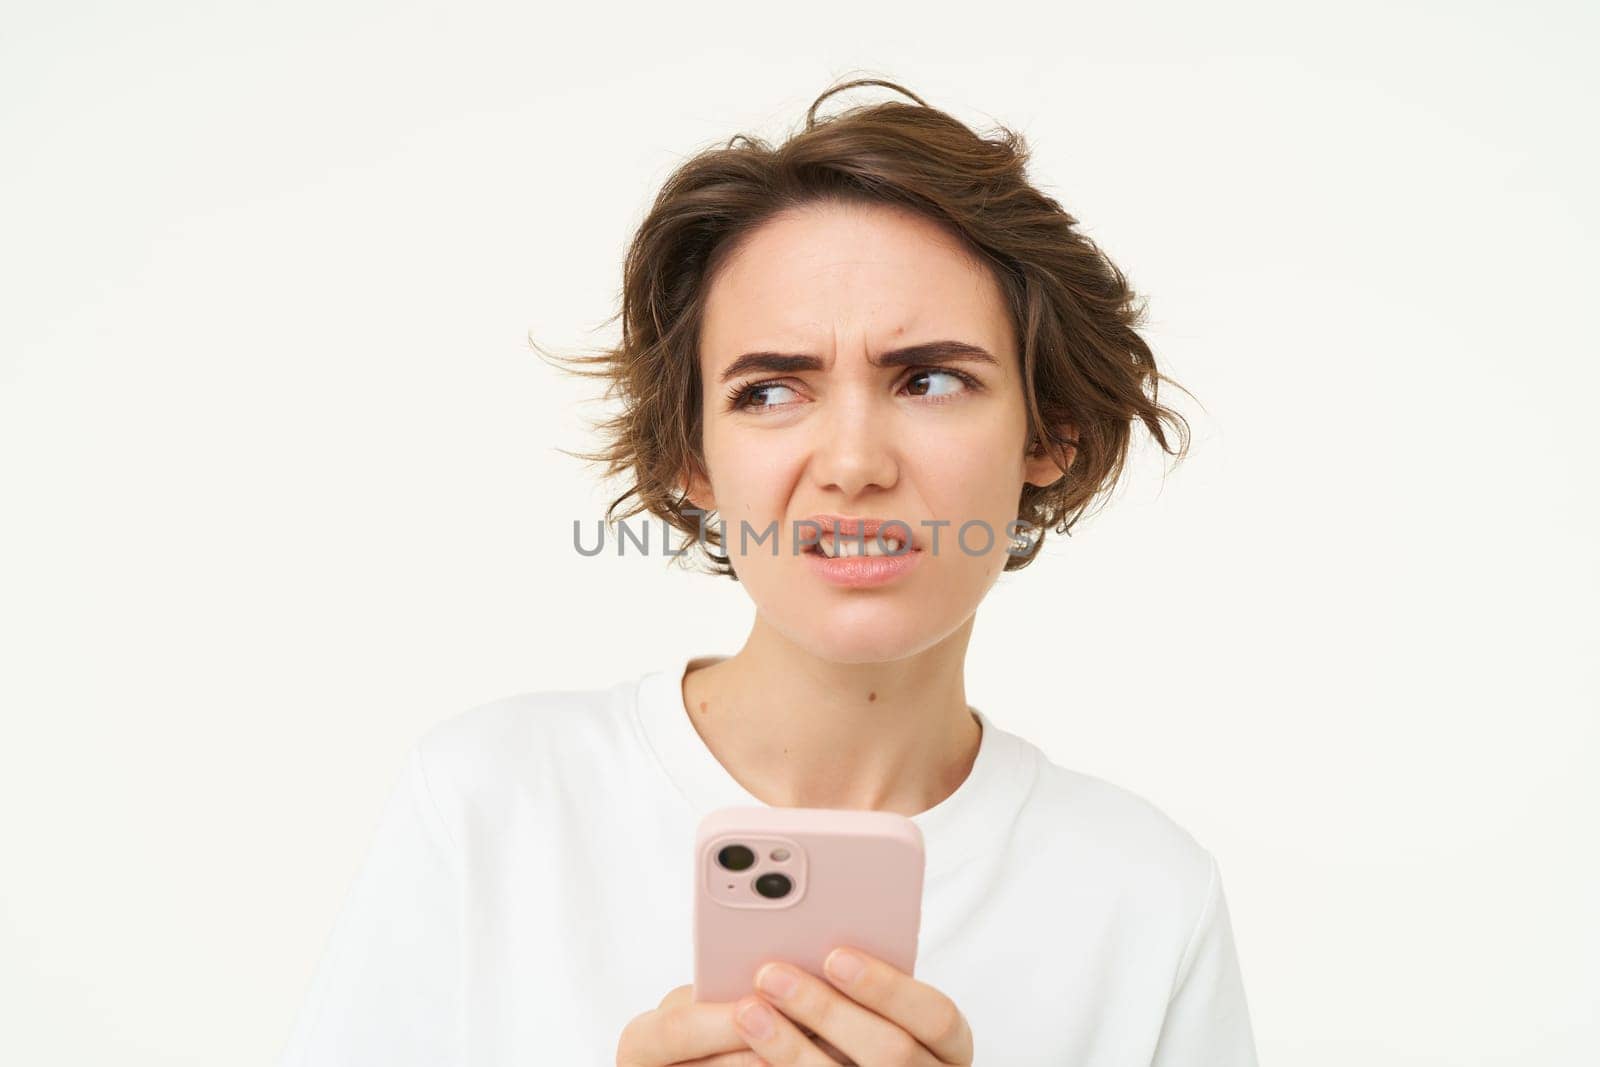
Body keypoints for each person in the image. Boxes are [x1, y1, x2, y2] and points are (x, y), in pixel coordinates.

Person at [277, 77, 1259, 1066]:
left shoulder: (1143, 895)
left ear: (1049, 429)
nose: (852, 462)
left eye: (928, 379)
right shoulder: (493, 804)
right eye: (772, 388)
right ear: (691, 453)